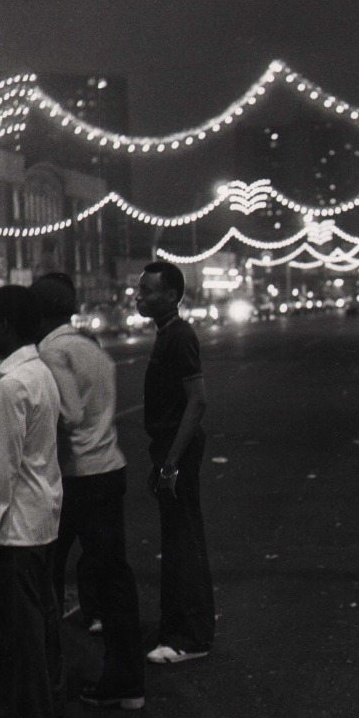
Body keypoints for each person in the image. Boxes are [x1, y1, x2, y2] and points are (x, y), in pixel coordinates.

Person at [31, 273, 144, 710]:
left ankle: (45, 679)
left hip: (76, 476)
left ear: (39, 314)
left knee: (46, 574)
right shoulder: (88, 346)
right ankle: (127, 680)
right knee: (113, 576)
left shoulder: (51, 350)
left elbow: (71, 413)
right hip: (109, 467)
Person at [0, 286, 64, 718]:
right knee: (37, 625)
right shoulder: (39, 372)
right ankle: (42, 710)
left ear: (7, 326)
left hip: (17, 527)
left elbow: (0, 468)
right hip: (41, 518)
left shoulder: (11, 385)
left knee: (19, 633)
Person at [136, 261, 215, 664]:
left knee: (184, 542)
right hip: (169, 449)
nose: (138, 296)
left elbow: (197, 401)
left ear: (171, 296)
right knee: (179, 540)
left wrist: (171, 463)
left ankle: (190, 638)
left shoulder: (179, 336)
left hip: (177, 450)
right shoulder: (166, 333)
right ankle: (182, 628)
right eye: (139, 289)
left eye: (148, 291)